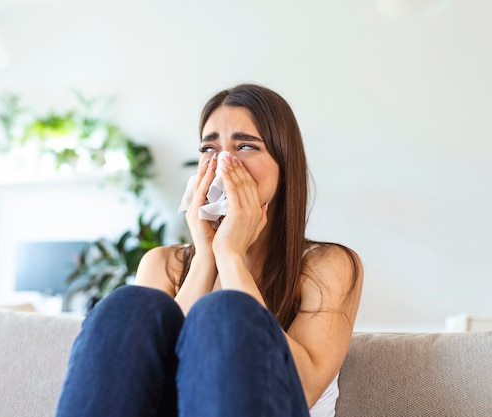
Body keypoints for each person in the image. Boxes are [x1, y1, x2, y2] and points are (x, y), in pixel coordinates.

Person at [55, 83, 364, 417]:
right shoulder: (163, 264)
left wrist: (231, 259)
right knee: (129, 303)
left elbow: (301, 390)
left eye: (245, 146)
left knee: (224, 311)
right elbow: (157, 383)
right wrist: (206, 258)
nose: (222, 162)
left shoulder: (328, 265)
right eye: (209, 148)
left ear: (283, 165)